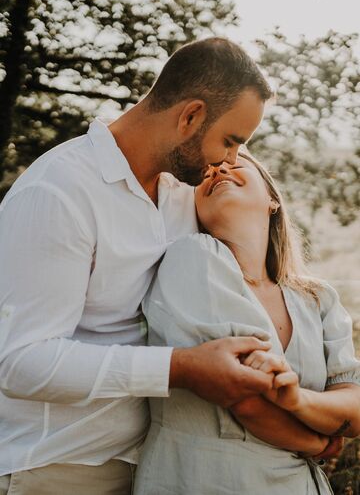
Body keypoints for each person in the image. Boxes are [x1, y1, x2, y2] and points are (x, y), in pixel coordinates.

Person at [0, 38, 276, 495]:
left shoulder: (186, 192)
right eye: (230, 141)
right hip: (58, 469)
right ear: (190, 116)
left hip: (157, 467)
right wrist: (181, 368)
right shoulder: (58, 193)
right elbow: (20, 363)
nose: (231, 160)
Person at [133, 153, 360, 495]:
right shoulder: (194, 257)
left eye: (235, 164)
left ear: (272, 200)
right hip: (206, 479)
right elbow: (245, 397)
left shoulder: (317, 298)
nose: (218, 169)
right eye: (205, 172)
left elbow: (354, 408)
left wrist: (297, 400)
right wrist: (317, 443)